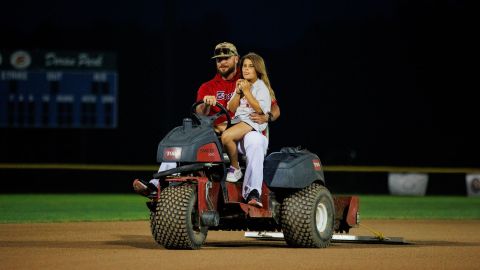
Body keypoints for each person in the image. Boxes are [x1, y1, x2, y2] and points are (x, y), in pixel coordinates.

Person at [133, 42, 280, 207]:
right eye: (218, 60)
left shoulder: (247, 79)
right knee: (181, 140)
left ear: (236, 59)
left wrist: (267, 116)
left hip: (243, 135)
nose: (222, 62)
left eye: (226, 58)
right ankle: (155, 185)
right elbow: (200, 113)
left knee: (255, 140)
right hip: (214, 137)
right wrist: (207, 103)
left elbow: (274, 107)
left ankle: (252, 193)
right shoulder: (208, 87)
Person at [222, 53, 274, 185]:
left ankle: (235, 168)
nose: (246, 69)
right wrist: (238, 92)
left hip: (252, 120)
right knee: (212, 129)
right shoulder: (241, 84)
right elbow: (232, 109)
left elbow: (259, 110)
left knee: (226, 136)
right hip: (239, 119)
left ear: (257, 69)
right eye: (244, 66)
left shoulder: (261, 86)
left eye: (250, 66)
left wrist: (247, 92)